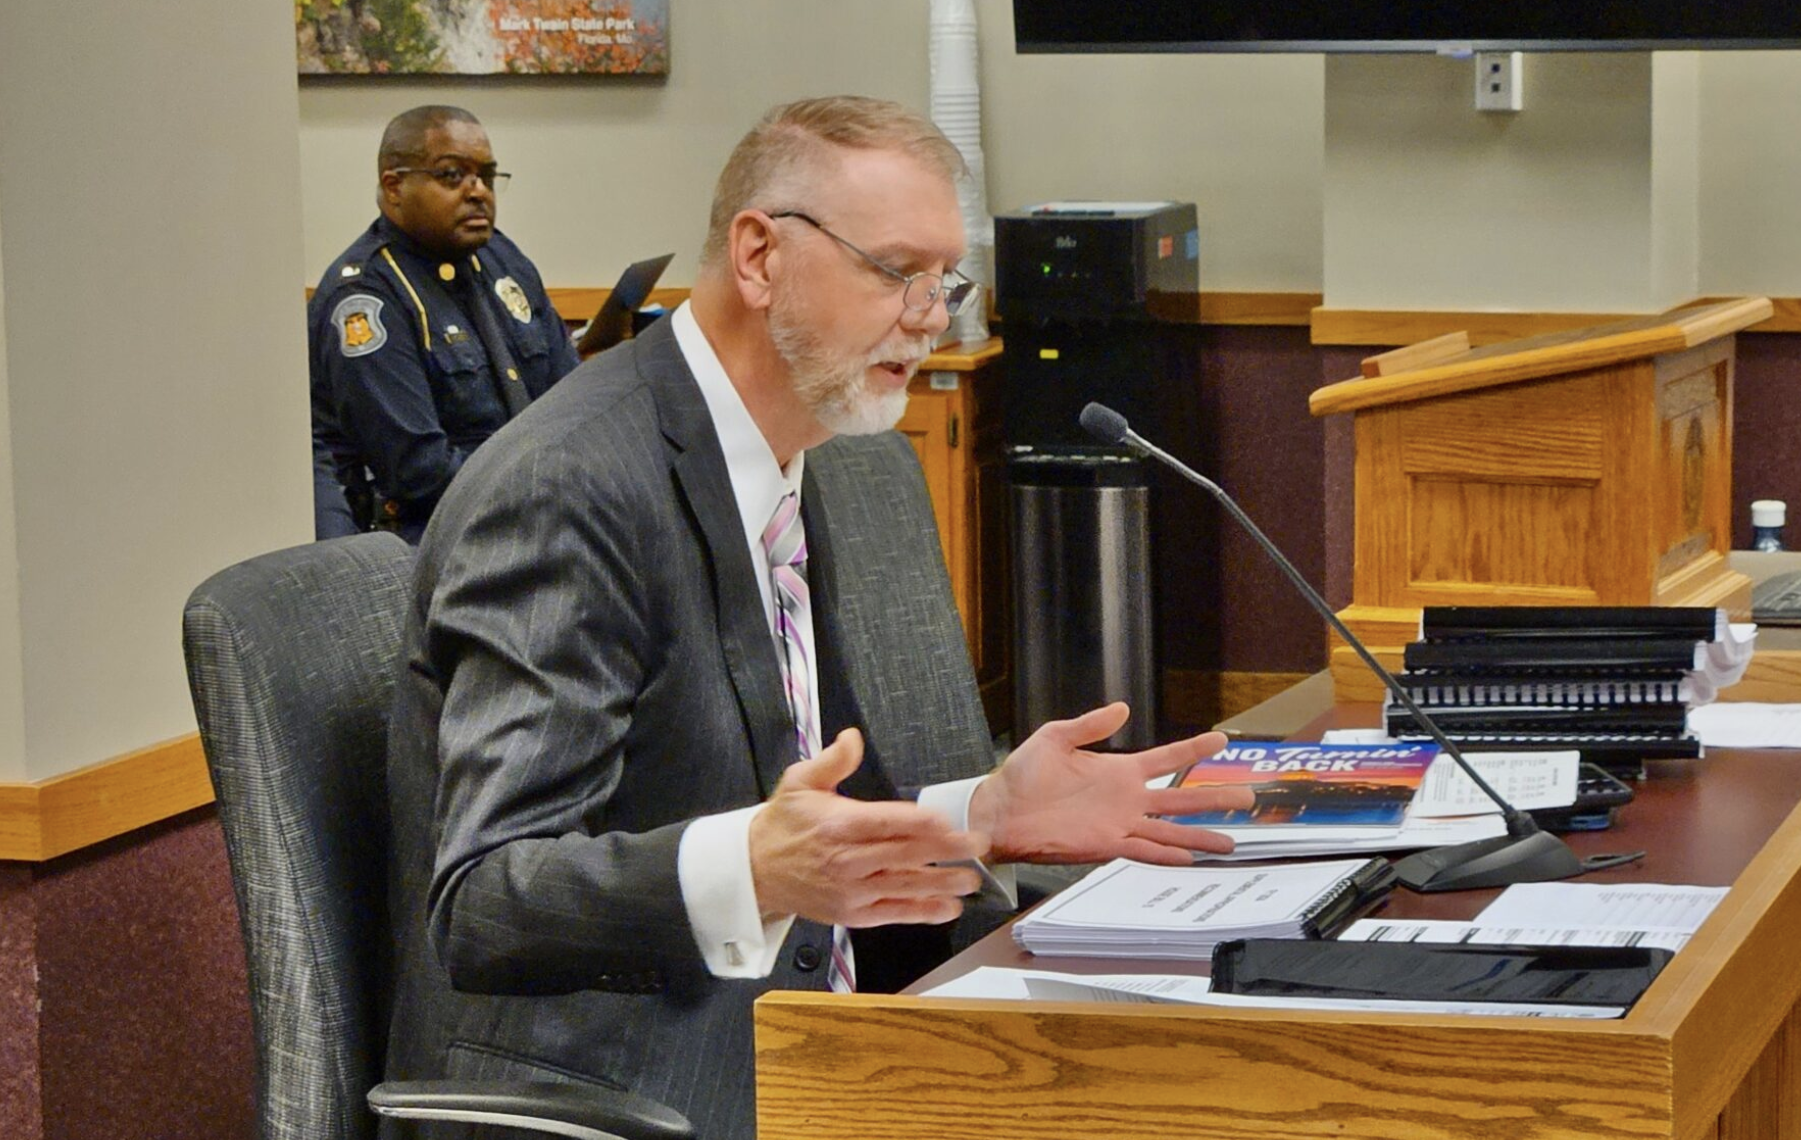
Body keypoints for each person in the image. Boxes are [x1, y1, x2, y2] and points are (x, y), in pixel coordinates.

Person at [383, 95, 1250, 1140]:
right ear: (759, 258)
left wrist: (982, 815)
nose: (933, 315)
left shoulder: (786, 448)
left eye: (946, 281)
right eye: (897, 272)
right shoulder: (568, 489)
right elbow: (485, 900)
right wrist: (752, 867)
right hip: (626, 1090)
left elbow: (791, 807)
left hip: (813, 1041)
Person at [308, 105, 579, 542]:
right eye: (453, 176)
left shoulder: (502, 261)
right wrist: (548, 491)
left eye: (486, 177)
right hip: (433, 543)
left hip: (535, 522)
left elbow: (575, 400)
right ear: (394, 187)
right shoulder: (366, 299)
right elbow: (420, 472)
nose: (478, 192)